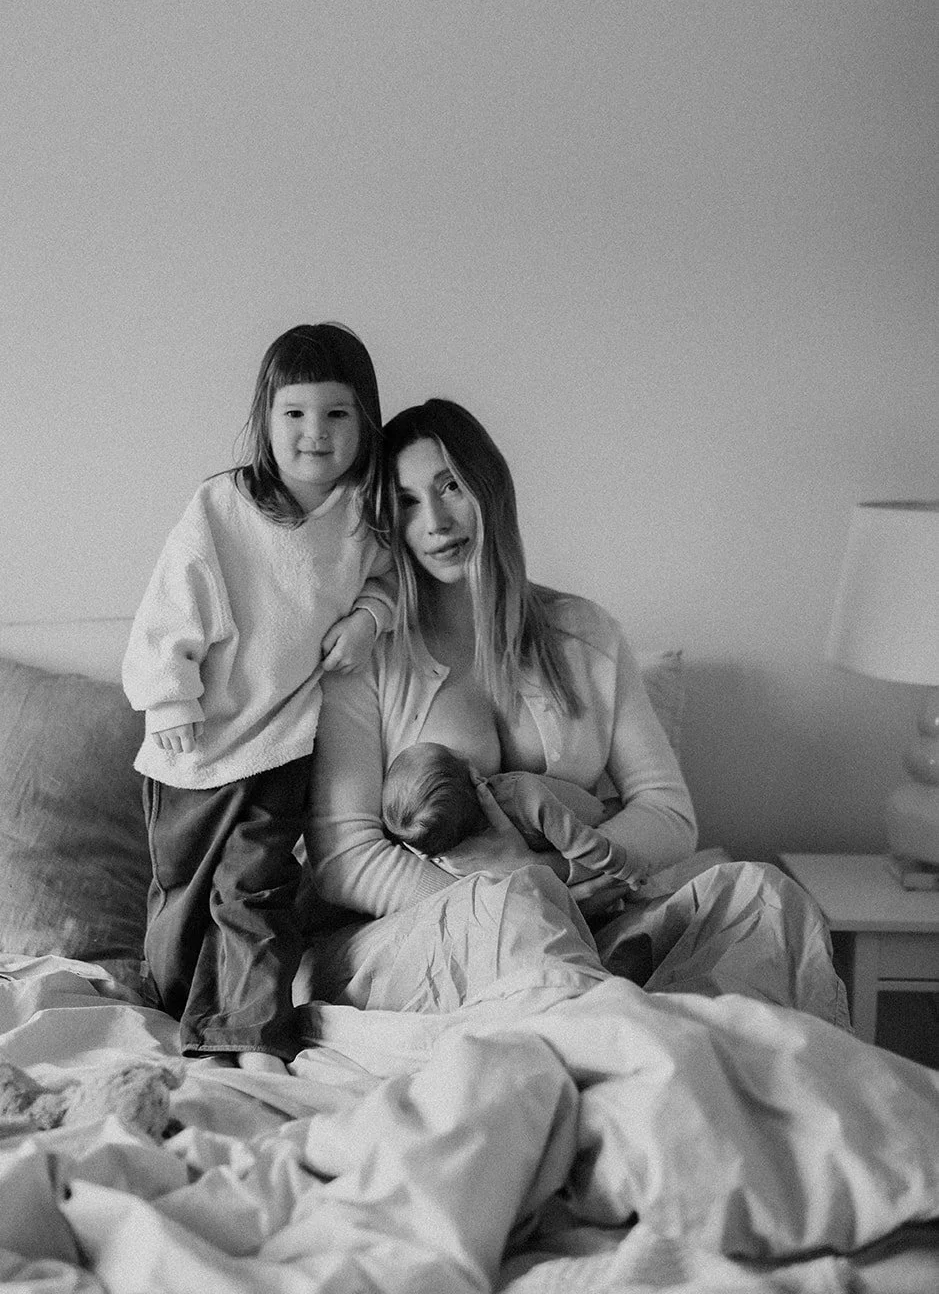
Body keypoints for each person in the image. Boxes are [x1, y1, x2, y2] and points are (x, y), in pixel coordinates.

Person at [304, 399, 849, 1030]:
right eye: (405, 501)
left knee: (763, 897)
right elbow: (344, 856)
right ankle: (628, 1051)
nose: (435, 521)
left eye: (450, 486)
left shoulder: (583, 633)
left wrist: (566, 877)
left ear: (491, 487)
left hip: (595, 910)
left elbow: (667, 812)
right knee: (521, 922)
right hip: (423, 935)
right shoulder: (368, 656)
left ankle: (680, 1052)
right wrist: (518, 893)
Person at [123, 322, 392, 1073]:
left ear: (364, 423)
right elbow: (169, 608)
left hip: (281, 739)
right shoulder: (221, 508)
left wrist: (369, 620)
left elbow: (388, 582)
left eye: (337, 415)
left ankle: (250, 1035)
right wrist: (169, 699)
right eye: (295, 414)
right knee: (182, 902)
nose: (315, 433)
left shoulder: (362, 517)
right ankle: (176, 998)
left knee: (256, 891)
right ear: (265, 420)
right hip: (193, 746)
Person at [382, 740, 644, 904]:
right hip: (594, 828)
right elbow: (582, 843)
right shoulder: (523, 793)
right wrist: (626, 867)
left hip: (563, 882)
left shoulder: (451, 857)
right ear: (475, 775)